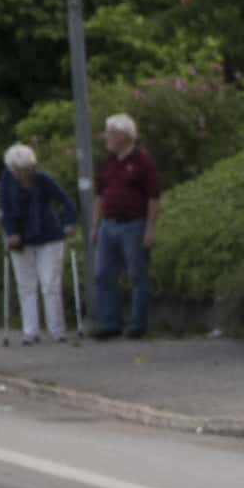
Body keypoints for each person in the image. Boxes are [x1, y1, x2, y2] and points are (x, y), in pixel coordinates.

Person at [0, 143, 77, 346]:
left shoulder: (43, 180)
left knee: (50, 284)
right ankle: (30, 332)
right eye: (21, 170)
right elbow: (4, 211)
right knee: (26, 287)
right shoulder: (7, 183)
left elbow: (67, 201)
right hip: (20, 240)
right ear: (13, 170)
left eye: (29, 168)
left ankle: (57, 331)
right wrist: (11, 233)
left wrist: (68, 223)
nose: (26, 173)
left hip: (49, 236)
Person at [92, 113, 160, 339]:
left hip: (133, 224)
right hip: (108, 224)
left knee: (137, 275)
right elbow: (100, 196)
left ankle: (137, 324)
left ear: (124, 135)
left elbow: (153, 197)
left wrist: (150, 228)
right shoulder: (109, 162)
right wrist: (96, 226)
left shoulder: (143, 162)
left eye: (111, 133)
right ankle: (110, 322)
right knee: (103, 274)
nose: (107, 138)